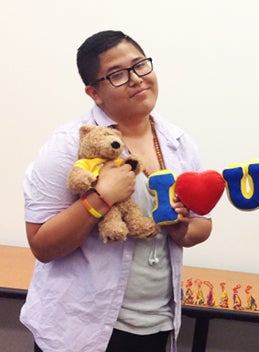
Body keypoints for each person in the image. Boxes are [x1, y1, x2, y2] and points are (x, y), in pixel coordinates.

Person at [21, 30, 213, 352]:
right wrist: (100, 199)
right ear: (94, 93)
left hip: (158, 325)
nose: (137, 79)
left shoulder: (178, 143)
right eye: (118, 75)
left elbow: (203, 224)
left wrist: (182, 229)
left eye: (140, 65)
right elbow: (42, 245)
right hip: (80, 331)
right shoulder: (69, 144)